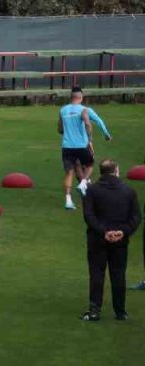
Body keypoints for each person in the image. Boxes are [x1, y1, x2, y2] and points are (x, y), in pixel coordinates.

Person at [81, 160, 140, 321]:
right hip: (120, 241)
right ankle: (120, 311)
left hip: (97, 239)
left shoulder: (92, 191)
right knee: (119, 274)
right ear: (116, 171)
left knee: (96, 273)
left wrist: (104, 231)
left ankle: (95, 310)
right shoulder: (128, 191)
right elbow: (136, 217)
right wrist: (123, 232)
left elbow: (89, 216)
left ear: (101, 172)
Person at [58, 87, 95, 210]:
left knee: (69, 172)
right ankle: (83, 183)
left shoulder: (62, 110)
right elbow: (88, 124)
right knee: (90, 164)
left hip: (67, 146)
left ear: (71, 97)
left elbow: (60, 129)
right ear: (81, 97)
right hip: (81, 145)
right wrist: (89, 139)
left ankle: (68, 201)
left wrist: (68, 130)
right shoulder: (83, 110)